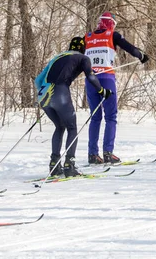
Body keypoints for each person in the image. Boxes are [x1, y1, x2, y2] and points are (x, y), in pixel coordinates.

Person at [35, 37, 112, 177]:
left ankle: (54, 165)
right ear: (83, 48)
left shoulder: (58, 56)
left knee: (59, 127)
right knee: (72, 128)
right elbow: (91, 76)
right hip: (60, 92)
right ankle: (69, 165)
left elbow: (38, 80)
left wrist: (45, 95)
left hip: (43, 94)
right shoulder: (83, 58)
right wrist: (102, 91)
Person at [84, 12, 149, 165]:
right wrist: (141, 56)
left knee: (95, 117)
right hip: (106, 77)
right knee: (111, 116)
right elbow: (130, 48)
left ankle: (92, 154)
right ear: (111, 24)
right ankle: (108, 153)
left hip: (90, 79)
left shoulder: (88, 37)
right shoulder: (112, 35)